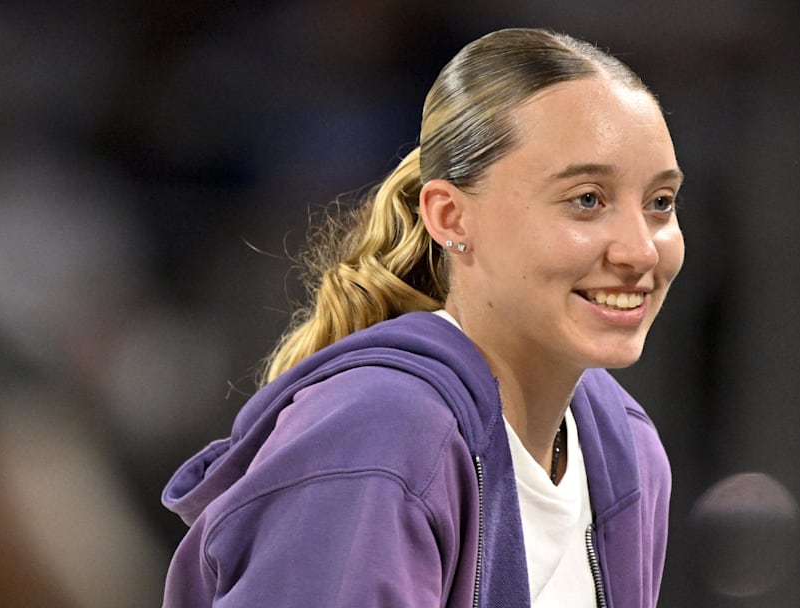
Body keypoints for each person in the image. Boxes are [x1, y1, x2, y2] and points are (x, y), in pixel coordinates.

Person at [162, 27, 684, 607]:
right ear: (451, 217)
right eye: (586, 199)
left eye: (660, 203)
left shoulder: (625, 445)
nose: (640, 251)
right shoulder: (377, 437)